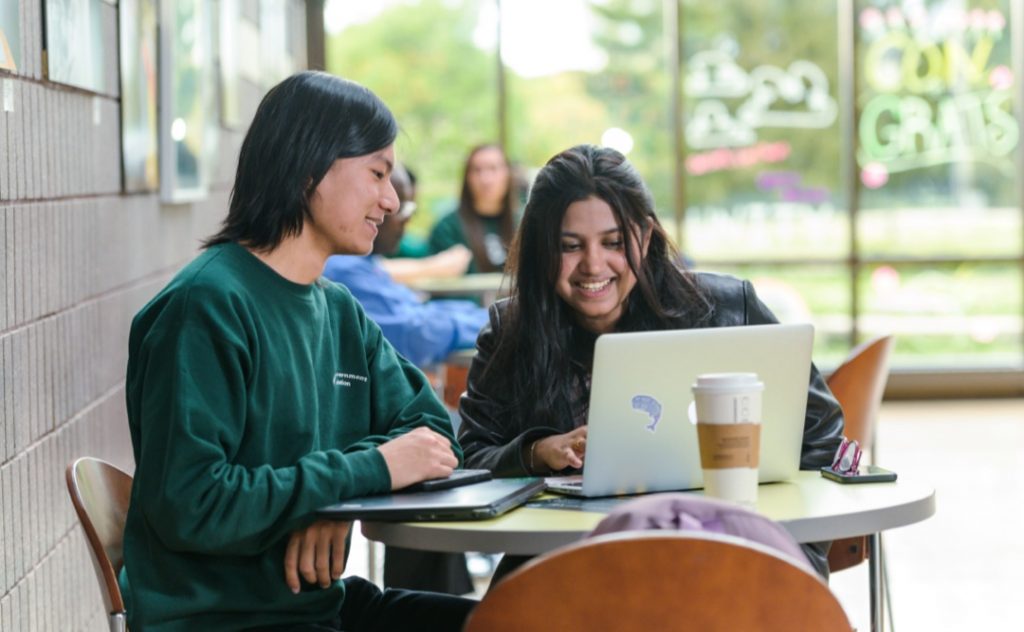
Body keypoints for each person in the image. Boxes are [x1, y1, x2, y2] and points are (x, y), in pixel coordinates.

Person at [121, 71, 476, 631]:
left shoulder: (338, 310)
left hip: (316, 607)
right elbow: (191, 503)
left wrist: (338, 498)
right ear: (309, 168)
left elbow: (432, 432)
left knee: (522, 617)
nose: (390, 199)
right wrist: (365, 471)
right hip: (224, 621)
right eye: (377, 173)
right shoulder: (205, 307)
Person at [457, 144, 845, 579]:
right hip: (574, 562)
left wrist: (754, 517)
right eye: (569, 246)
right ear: (540, 250)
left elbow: (820, 436)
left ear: (644, 235)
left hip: (730, 550)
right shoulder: (512, 329)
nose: (592, 265)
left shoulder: (727, 308)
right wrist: (533, 452)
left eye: (614, 242)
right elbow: (469, 457)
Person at [322, 163, 483, 596]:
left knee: (442, 438)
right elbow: (417, 332)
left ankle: (448, 590)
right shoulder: (343, 276)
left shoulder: (345, 290)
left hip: (326, 588)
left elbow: (429, 429)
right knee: (455, 439)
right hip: (287, 602)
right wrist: (319, 504)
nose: (396, 206)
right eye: (378, 177)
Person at [322, 164, 487, 369]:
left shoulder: (365, 263)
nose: (406, 218)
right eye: (403, 208)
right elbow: (414, 335)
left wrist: (491, 316)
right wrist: (493, 323)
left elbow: (419, 313)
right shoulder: (342, 269)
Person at [427, 144, 518, 273]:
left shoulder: (524, 224)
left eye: (493, 168)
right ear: (467, 177)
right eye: (477, 170)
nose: (486, 179)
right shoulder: (448, 228)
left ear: (508, 174)